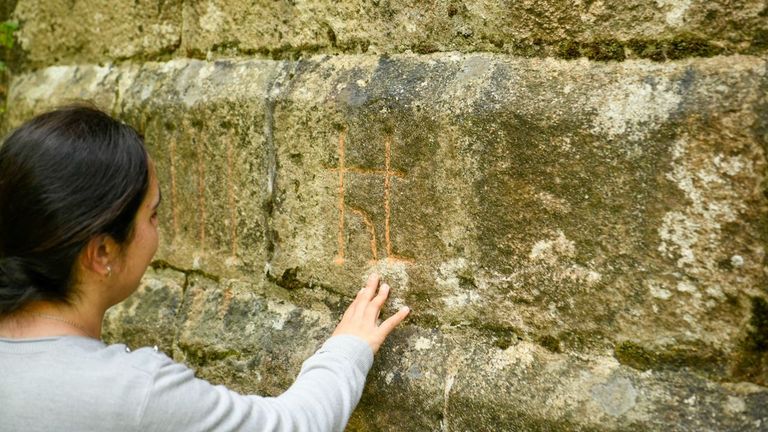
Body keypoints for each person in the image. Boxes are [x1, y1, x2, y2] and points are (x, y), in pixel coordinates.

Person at [0, 105, 410, 431]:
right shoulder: (134, 393)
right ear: (103, 251)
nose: (158, 234)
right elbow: (292, 425)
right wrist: (348, 349)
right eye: (153, 216)